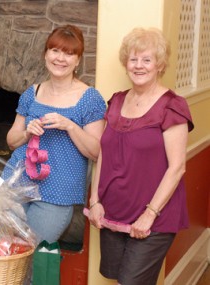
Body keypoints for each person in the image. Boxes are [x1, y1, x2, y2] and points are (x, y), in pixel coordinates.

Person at [88, 27, 194, 285]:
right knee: (116, 277)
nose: (139, 66)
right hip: (112, 211)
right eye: (133, 59)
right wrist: (95, 201)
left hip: (154, 216)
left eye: (147, 60)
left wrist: (150, 213)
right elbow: (103, 154)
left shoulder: (172, 105)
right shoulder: (115, 102)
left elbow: (177, 167)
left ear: (159, 64)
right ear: (126, 63)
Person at [2, 24, 106, 244]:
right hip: (15, 184)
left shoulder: (90, 98)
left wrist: (70, 125)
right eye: (55, 51)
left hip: (57, 194)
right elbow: (11, 141)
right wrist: (27, 133)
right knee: (2, 252)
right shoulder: (33, 92)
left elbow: (97, 152)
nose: (60, 58)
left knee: (29, 257)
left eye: (69, 53)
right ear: (46, 54)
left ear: (78, 61)